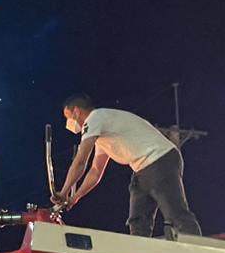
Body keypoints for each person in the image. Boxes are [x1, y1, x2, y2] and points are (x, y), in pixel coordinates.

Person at [55, 93, 202, 238]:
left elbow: (80, 161)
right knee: (138, 221)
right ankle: (139, 250)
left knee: (175, 214)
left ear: (76, 111)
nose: (68, 123)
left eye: (68, 117)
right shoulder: (102, 131)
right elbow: (95, 171)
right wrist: (75, 197)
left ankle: (196, 248)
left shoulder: (94, 118)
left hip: (159, 159)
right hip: (142, 168)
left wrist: (64, 192)